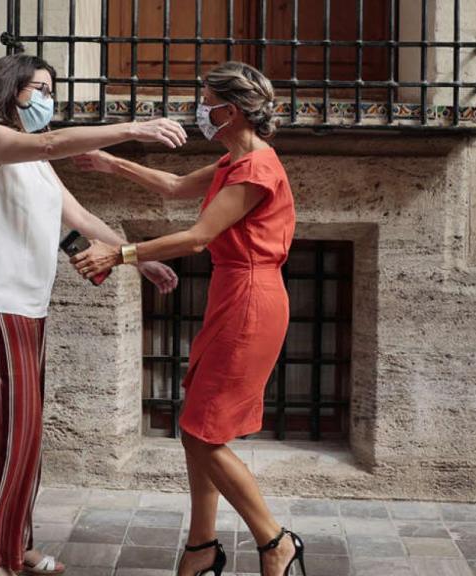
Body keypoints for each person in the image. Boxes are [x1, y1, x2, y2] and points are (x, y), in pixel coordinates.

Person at [0, 53, 184, 576]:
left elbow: (79, 218)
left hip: (27, 304)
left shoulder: (37, 165)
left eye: (52, 90)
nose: (48, 99)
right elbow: (51, 140)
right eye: (38, 88)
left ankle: (15, 546)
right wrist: (133, 128)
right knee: (11, 433)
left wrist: (135, 259)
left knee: (26, 434)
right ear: (9, 91)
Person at [71, 61, 305, 576]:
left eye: (206, 101)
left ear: (232, 110)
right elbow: (175, 185)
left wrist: (120, 254)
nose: (199, 110)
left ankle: (275, 541)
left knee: (202, 431)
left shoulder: (256, 168)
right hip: (234, 293)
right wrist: (113, 164)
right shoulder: (234, 160)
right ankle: (201, 546)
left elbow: (198, 236)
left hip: (249, 295)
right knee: (196, 423)